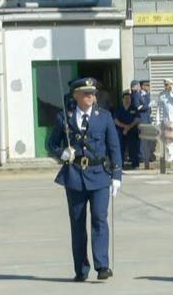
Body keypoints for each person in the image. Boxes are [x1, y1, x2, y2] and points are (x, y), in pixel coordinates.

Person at [48, 77, 124, 282]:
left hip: (99, 175)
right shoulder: (65, 118)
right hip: (74, 176)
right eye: (85, 93)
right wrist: (61, 153)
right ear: (75, 95)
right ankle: (81, 269)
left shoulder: (104, 117)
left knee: (100, 218)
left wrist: (117, 175)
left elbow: (114, 147)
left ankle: (102, 266)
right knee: (78, 223)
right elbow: (51, 143)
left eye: (92, 93)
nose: (90, 96)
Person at [129, 79, 152, 170]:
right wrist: (146, 106)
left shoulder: (145, 95)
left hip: (147, 119)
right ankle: (142, 157)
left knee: (149, 139)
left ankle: (148, 156)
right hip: (141, 120)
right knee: (142, 140)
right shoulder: (136, 96)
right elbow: (137, 107)